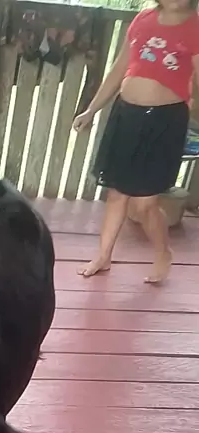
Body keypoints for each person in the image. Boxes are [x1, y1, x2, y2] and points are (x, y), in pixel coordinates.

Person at [73, 0, 199, 283]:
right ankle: (104, 255)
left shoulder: (195, 28)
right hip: (126, 115)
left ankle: (163, 252)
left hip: (164, 123)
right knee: (117, 193)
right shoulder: (143, 19)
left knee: (144, 204)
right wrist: (91, 109)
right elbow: (119, 68)